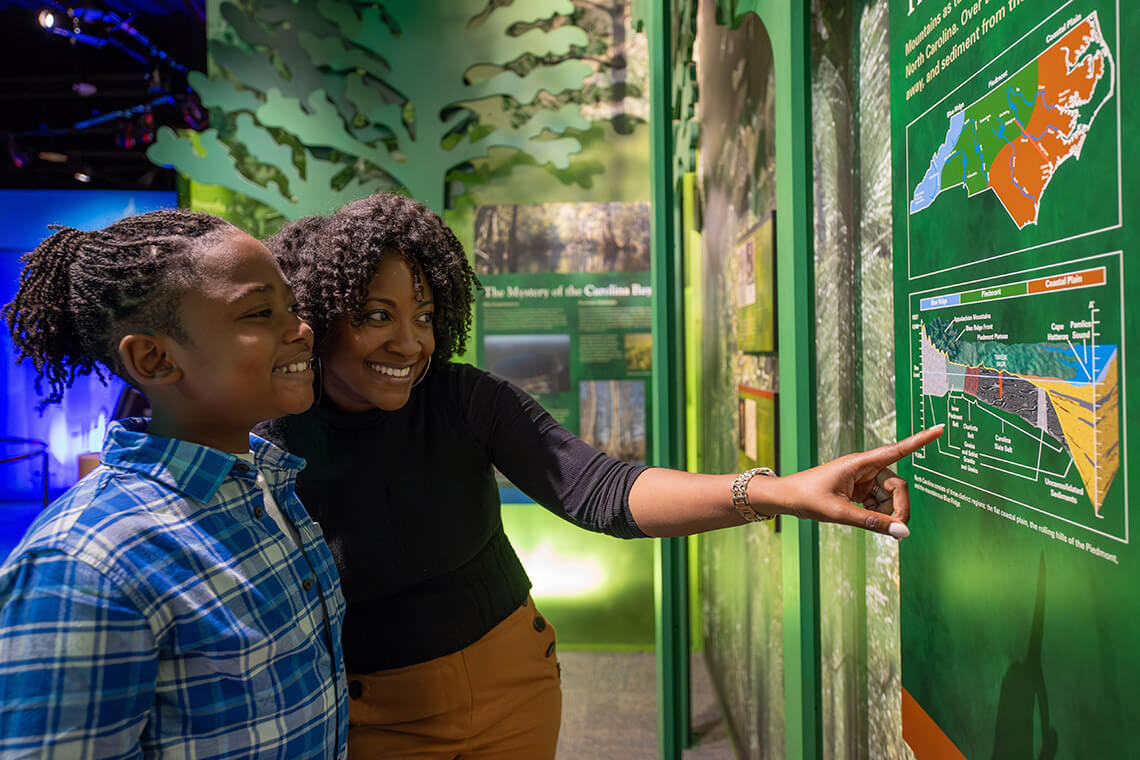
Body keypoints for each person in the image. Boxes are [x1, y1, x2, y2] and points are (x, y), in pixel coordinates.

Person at [257, 192, 943, 760]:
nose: (410, 342)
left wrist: (776, 492)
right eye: (377, 315)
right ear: (320, 316)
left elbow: (602, 491)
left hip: (514, 689)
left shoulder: (464, 398)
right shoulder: (268, 437)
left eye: (426, 317)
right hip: (372, 719)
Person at [0, 210, 348, 759]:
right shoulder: (86, 563)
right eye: (260, 313)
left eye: (293, 307)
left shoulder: (268, 485)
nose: (301, 330)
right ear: (155, 358)